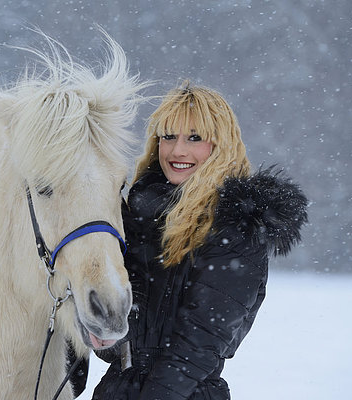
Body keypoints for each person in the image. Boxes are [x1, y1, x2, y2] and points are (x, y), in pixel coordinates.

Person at [92, 83, 308, 399]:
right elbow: (127, 341)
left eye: (195, 138)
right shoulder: (138, 216)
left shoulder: (234, 228)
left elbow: (200, 345)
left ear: (220, 145)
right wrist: (104, 336)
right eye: (168, 137)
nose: (178, 151)